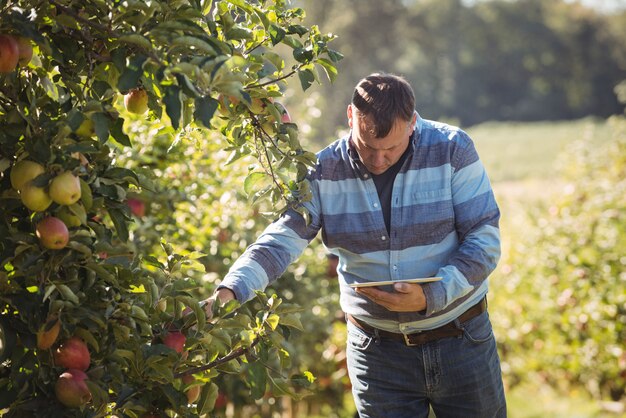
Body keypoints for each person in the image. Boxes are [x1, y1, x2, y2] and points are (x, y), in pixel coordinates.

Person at [206, 73, 507, 417]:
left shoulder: (452, 149)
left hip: (461, 340)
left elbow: (484, 239)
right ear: (351, 117)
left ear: (412, 123)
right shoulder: (323, 171)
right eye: (367, 146)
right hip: (378, 354)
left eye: (390, 148)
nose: (377, 160)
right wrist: (230, 291)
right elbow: (280, 241)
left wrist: (430, 296)